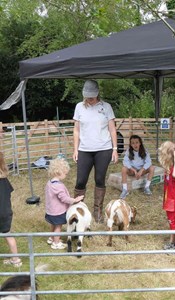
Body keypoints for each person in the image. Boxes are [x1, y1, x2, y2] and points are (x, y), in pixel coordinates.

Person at [73, 80, 118, 223]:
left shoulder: (106, 107)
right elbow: (76, 130)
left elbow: (112, 129)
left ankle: (97, 211)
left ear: (97, 93)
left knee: (99, 179)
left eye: (92, 95)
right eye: (87, 95)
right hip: (84, 150)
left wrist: (115, 149)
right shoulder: (79, 107)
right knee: (80, 181)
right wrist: (75, 149)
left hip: (103, 149)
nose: (90, 98)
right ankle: (78, 209)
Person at [45, 158, 84, 250]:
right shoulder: (59, 186)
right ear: (59, 172)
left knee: (53, 224)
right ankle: (56, 243)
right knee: (58, 227)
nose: (66, 175)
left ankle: (51, 238)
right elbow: (64, 199)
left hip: (50, 210)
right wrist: (74, 200)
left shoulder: (49, 183)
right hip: (58, 211)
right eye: (65, 174)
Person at [158, 141, 175, 250]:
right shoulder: (169, 169)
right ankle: (172, 241)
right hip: (169, 201)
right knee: (172, 222)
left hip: (174, 202)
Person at [0, 152, 22, 267]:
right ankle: (16, 260)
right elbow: (9, 193)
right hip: (6, 213)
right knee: (8, 235)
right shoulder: (4, 179)